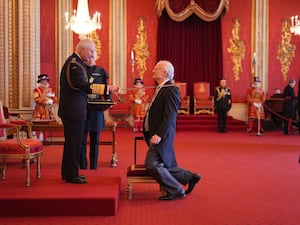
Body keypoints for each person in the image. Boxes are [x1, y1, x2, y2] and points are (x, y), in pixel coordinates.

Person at [58, 39, 118, 184]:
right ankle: (72, 175)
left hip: (74, 110)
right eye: (90, 51)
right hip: (73, 111)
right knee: (74, 143)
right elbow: (84, 85)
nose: (92, 54)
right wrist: (106, 88)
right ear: (82, 50)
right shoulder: (74, 65)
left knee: (72, 143)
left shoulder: (77, 63)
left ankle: (69, 173)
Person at [143, 60, 201, 200]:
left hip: (161, 135)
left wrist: (159, 134)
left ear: (164, 73)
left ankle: (176, 190)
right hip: (155, 133)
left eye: (156, 69)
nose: (153, 71)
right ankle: (189, 177)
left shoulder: (171, 89)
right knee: (166, 163)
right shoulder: (161, 88)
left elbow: (170, 116)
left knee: (151, 164)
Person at [79, 51, 111, 170]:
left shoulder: (101, 71)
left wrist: (108, 101)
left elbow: (106, 89)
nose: (91, 59)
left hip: (96, 110)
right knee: (81, 140)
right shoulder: (80, 70)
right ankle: (82, 166)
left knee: (95, 141)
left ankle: (94, 166)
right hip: (82, 109)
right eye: (89, 56)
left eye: (93, 56)